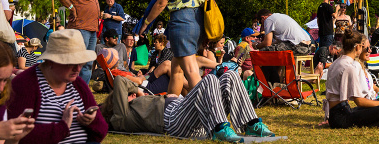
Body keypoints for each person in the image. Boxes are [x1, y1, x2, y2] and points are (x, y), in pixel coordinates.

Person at [101, 70, 273, 141]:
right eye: (128, 96)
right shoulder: (121, 117)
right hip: (174, 120)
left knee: (230, 76)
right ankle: (219, 127)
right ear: (117, 103)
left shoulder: (130, 109)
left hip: (188, 114)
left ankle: (251, 124)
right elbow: (119, 81)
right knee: (210, 80)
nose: (133, 95)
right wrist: (137, 90)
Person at [7, 29, 108, 144]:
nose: (78, 69)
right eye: (71, 63)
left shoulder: (78, 84)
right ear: (51, 61)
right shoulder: (25, 84)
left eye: (80, 63)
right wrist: (62, 127)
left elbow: (102, 130)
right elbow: (18, 136)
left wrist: (91, 121)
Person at [140, 0, 211, 93]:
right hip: (199, 23)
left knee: (191, 70)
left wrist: (146, 23)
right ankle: (171, 106)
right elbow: (208, 3)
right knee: (177, 69)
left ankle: (210, 107)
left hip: (181, 23)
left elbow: (161, 3)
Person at [324, 29, 379, 129]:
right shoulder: (350, 67)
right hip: (341, 117)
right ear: (358, 47)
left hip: (337, 114)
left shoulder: (336, 63)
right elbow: (359, 102)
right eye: (363, 47)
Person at [56, 0, 100, 83]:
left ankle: (82, 91)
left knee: (88, 63)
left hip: (91, 28)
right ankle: (71, 91)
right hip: (80, 28)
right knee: (77, 62)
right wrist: (71, 7)